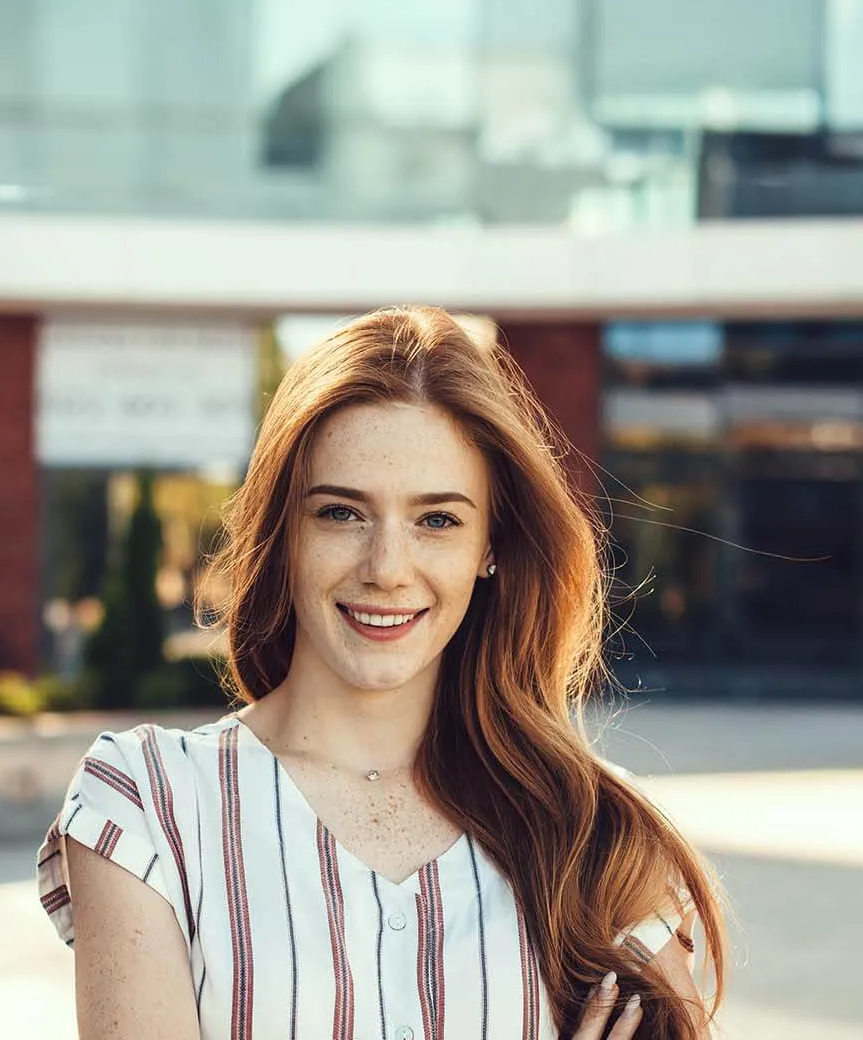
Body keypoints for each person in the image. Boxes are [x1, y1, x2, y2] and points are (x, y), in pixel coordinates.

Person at [37, 307, 725, 1040]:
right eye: (341, 513)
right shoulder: (148, 804)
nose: (387, 569)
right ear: (284, 532)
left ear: (490, 546)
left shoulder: (597, 834)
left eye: (437, 521)